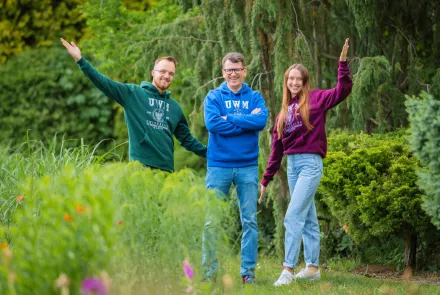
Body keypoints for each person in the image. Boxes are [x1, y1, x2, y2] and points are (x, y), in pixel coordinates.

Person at [259, 38, 352, 286]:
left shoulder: (317, 99)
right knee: (308, 218)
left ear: (305, 81)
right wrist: (266, 179)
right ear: (286, 82)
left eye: (299, 78)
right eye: (291, 78)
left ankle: (288, 269)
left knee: (293, 215)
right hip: (292, 166)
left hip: (311, 163)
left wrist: (342, 65)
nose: (294, 82)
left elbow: (341, 91)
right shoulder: (282, 113)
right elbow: (276, 150)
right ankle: (312, 268)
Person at [60, 38, 206, 172]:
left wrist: (211, 153)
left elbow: (187, 140)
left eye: (171, 73)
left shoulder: (174, 108)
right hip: (140, 167)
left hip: (166, 169)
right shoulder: (133, 94)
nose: (167, 76)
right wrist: (80, 60)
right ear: (153, 73)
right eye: (162, 71)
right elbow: (105, 83)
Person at [203, 52, 268, 283]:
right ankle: (210, 273)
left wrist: (228, 118)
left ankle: (248, 273)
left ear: (244, 71)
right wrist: (245, 121)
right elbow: (212, 123)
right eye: (229, 69)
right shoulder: (213, 96)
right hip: (218, 165)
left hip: (247, 166)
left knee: (249, 220)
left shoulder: (255, 96)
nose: (233, 73)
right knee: (212, 221)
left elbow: (260, 121)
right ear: (223, 72)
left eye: (237, 69)